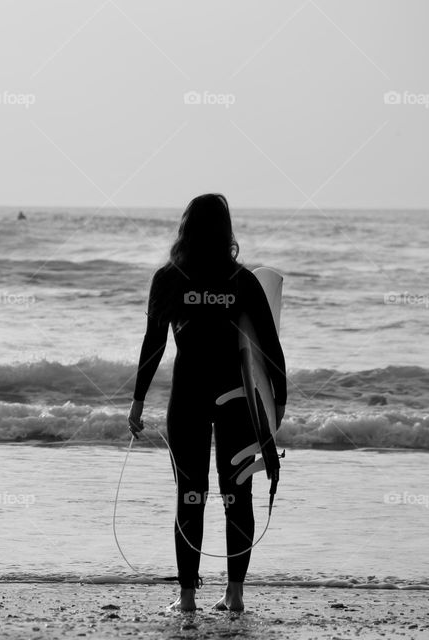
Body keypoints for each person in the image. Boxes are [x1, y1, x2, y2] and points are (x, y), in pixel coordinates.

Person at [127, 194, 286, 612]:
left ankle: (186, 599)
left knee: (190, 494)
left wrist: (138, 401)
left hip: (188, 396)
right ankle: (234, 595)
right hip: (237, 398)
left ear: (185, 229)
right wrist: (277, 408)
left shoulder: (169, 278)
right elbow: (270, 349)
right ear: (226, 232)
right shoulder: (242, 281)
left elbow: (154, 344)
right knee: (238, 494)